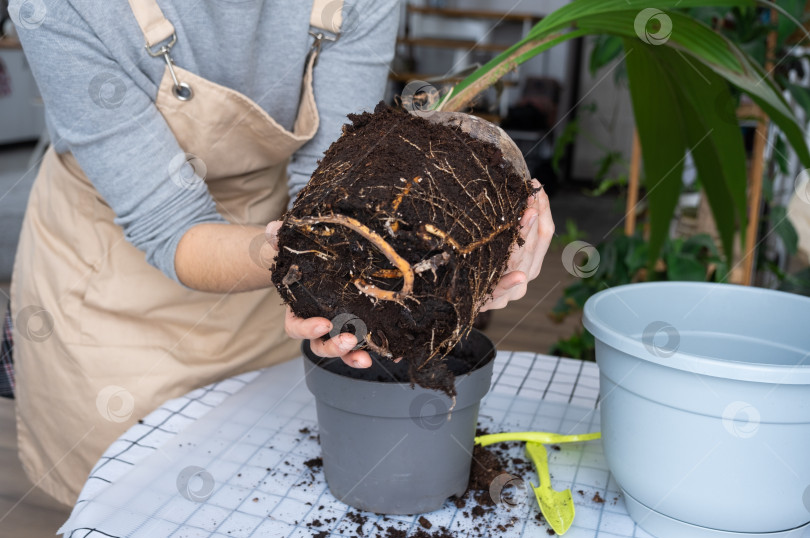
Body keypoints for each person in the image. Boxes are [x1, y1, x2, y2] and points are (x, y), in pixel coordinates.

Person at [4, 0, 554, 507]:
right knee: (141, 501)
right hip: (115, 286)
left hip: (275, 250)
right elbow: (168, 223)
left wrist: (484, 211)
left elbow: (335, 171)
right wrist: (302, 257)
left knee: (250, 482)